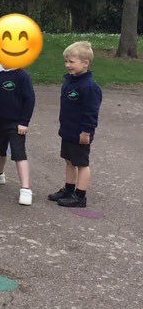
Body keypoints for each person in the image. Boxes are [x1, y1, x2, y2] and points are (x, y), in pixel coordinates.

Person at [48, 40, 102, 209]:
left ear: (85, 63)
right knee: (69, 160)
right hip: (68, 130)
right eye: (66, 61)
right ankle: (69, 189)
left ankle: (80, 196)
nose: (67, 65)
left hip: (81, 133)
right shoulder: (70, 82)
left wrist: (86, 131)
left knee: (81, 164)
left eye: (71, 62)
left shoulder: (89, 87)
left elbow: (91, 112)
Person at [0, 59, 36, 206]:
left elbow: (29, 99)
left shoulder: (22, 75)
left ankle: (25, 188)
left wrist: (24, 122)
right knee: (0, 150)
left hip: (16, 123)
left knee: (18, 153)